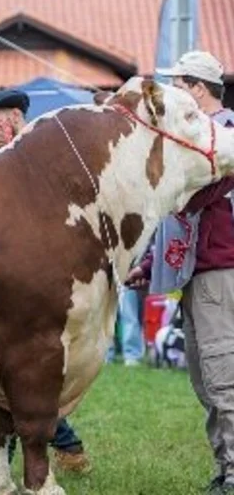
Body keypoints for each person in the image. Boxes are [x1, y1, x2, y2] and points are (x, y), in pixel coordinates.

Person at [124, 50, 234, 495]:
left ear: (197, 88)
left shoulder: (226, 137)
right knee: (205, 380)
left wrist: (162, 190)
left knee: (223, 375)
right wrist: (149, 266)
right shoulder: (198, 143)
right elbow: (178, 225)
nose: (173, 93)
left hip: (219, 272)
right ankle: (225, 469)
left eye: (180, 84)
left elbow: (193, 201)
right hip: (196, 274)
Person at [0, 87, 92, 474]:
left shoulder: (43, 157)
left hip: (37, 281)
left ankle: (64, 447)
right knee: (3, 376)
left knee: (22, 373)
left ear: (16, 118)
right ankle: (8, 458)